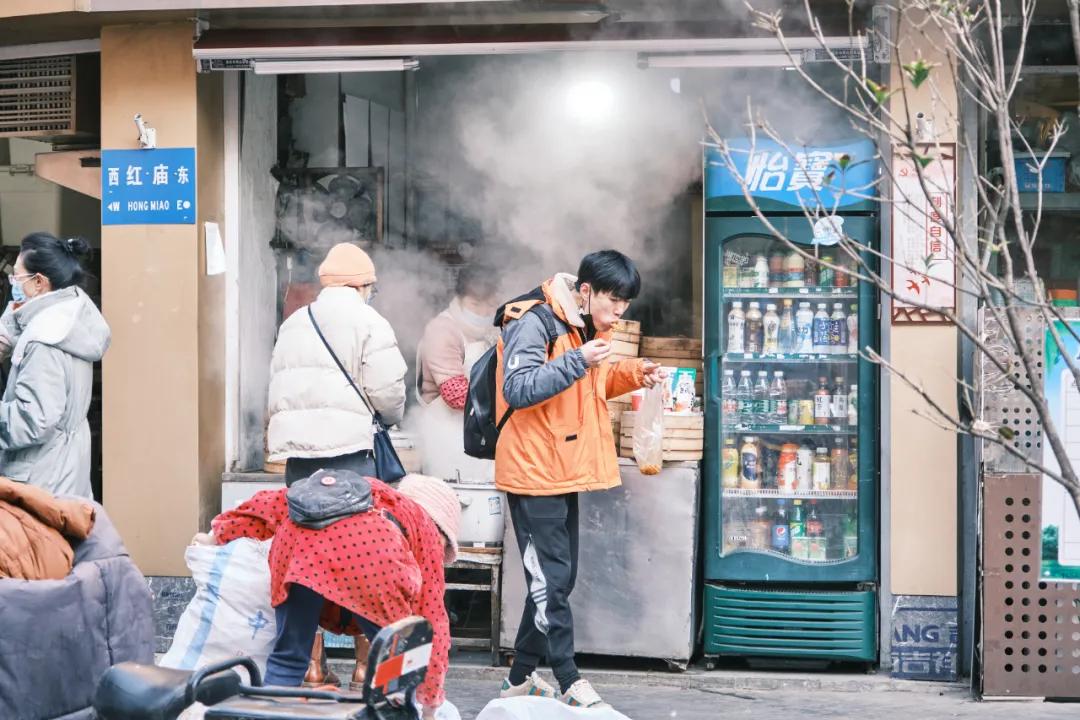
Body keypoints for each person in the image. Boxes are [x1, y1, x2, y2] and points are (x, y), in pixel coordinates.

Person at [494, 250, 664, 709]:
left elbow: (593, 382)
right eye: (614, 301)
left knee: (555, 580)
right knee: (551, 579)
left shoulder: (580, 324)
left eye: (625, 304)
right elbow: (519, 388)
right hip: (533, 471)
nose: (619, 312)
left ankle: (519, 679)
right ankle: (568, 679)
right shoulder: (533, 321)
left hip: (561, 467)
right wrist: (580, 360)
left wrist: (636, 373)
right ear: (586, 292)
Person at [204, 473, 458, 720]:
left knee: (288, 659)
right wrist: (430, 703)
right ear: (441, 531)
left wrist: (217, 534)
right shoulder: (424, 527)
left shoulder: (355, 489)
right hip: (371, 553)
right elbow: (433, 620)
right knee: (398, 666)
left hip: (297, 548)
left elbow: (273, 503)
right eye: (445, 546)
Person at [267, 242, 407, 485]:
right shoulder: (371, 322)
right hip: (350, 453)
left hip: (298, 457)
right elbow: (387, 391)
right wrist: (390, 418)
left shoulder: (293, 323)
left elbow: (278, 387)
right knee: (352, 522)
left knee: (305, 519)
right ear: (363, 286)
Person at [0, 232, 109, 499]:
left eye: (17, 275)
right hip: (63, 470)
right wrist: (16, 320)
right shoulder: (67, 321)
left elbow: (33, 420)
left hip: (39, 479)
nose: (12, 282)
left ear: (39, 282)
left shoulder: (44, 340)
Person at [415, 263, 500, 481]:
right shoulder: (442, 329)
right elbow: (455, 393)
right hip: (447, 434)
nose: (483, 312)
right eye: (475, 304)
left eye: (490, 305)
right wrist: (507, 401)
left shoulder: (494, 329)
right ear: (459, 299)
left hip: (480, 432)